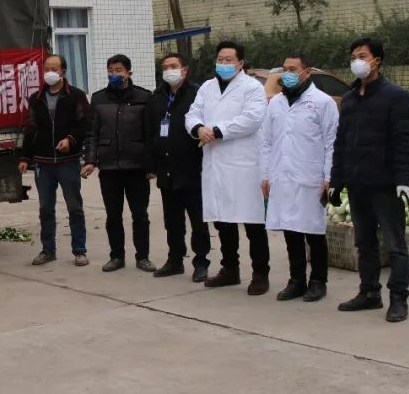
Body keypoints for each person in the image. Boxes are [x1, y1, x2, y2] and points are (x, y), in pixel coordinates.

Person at [329, 38, 409, 323]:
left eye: (362, 56)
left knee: (394, 245)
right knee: (364, 243)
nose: (357, 61)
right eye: (353, 56)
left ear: (377, 60)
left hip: (385, 184)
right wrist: (337, 180)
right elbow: (341, 142)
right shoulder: (350, 98)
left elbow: (404, 143)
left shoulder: (396, 97)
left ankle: (399, 298)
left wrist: (404, 180)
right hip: (358, 184)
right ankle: (369, 293)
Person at [186, 41, 270, 295]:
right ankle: (230, 269)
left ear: (240, 63)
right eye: (220, 60)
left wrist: (216, 131)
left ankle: (260, 274)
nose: (223, 64)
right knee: (223, 221)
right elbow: (192, 114)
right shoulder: (207, 87)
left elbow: (252, 119)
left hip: (244, 164)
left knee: (252, 223)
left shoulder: (252, 87)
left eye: (229, 60)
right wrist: (199, 128)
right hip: (216, 163)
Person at [261, 53, 339, 303]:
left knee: (313, 232)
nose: (287, 74)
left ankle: (318, 281)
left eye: (293, 69)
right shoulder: (276, 103)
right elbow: (266, 141)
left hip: (310, 178)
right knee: (290, 231)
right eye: (285, 69)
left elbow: (332, 142)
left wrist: (329, 176)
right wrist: (265, 174)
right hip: (282, 176)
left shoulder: (323, 102)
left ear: (307, 72)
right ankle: (296, 280)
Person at [82, 54, 156, 273]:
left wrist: (151, 166)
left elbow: (150, 134)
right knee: (113, 216)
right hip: (109, 167)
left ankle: (143, 257)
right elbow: (92, 133)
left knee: (140, 215)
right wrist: (90, 160)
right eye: (111, 70)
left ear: (129, 73)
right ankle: (116, 256)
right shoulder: (98, 98)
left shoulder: (144, 97)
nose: (114, 74)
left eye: (118, 70)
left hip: (136, 166)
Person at [19, 55, 92, 267]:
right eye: (46, 69)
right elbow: (31, 128)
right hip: (43, 163)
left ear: (63, 71)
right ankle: (48, 250)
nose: (50, 72)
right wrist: (25, 157)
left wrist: (70, 139)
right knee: (46, 209)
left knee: (74, 208)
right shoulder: (37, 98)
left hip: (68, 161)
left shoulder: (75, 95)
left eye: (54, 68)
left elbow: (85, 124)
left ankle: (79, 250)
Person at [149, 53, 209, 282]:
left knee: (198, 221)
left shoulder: (197, 94)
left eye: (173, 66)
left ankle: (201, 262)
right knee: (172, 221)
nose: (169, 71)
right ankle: (175, 260)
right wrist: (152, 164)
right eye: (165, 67)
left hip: (192, 168)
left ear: (184, 70)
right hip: (167, 169)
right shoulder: (157, 97)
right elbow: (150, 131)